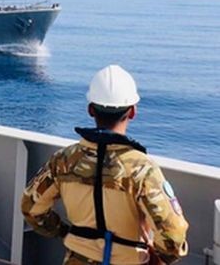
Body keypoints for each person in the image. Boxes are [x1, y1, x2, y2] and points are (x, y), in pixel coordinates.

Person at [21, 65, 189, 264]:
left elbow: (31, 208)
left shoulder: (63, 160)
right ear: (133, 111)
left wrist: (66, 232)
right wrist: (159, 256)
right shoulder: (142, 169)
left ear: (91, 109)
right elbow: (173, 235)